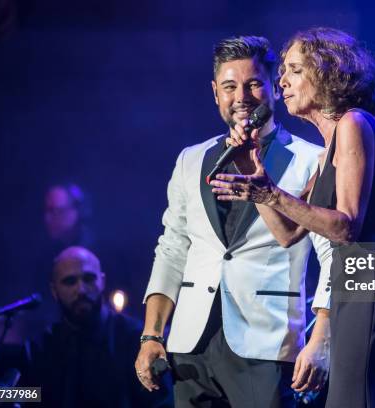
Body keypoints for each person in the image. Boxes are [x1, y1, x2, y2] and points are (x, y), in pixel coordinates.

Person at [210, 27, 375, 407]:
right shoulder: (329, 149)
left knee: (360, 397)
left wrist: (270, 193)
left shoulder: (354, 124)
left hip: (372, 283)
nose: (282, 82)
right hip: (352, 285)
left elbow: (345, 225)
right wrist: (254, 176)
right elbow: (288, 232)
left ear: (326, 71)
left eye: (293, 69)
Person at [134, 36, 332, 408]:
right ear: (215, 93)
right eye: (229, 86)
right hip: (191, 345)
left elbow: (333, 256)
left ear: (275, 87)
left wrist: (321, 338)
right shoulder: (190, 160)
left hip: (266, 343)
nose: (241, 96)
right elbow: (172, 249)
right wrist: (151, 335)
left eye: (253, 83)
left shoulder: (311, 160)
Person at [23, 246, 173, 407]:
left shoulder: (137, 341)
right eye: (69, 281)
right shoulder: (42, 347)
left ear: (102, 281)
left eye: (88, 279)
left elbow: (161, 402)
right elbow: (28, 395)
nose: (80, 290)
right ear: (54, 290)